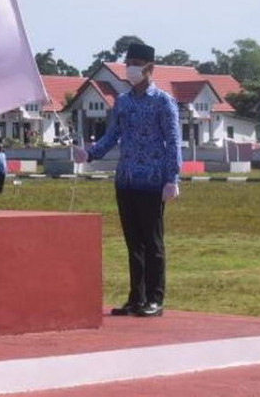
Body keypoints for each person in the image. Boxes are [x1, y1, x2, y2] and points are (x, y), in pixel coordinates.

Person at [73, 42, 181, 318]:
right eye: (128, 62)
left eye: (136, 62)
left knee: (152, 242)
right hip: (126, 179)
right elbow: (112, 137)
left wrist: (172, 177)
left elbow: (173, 141)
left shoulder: (163, 102)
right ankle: (137, 297)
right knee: (133, 243)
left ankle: (155, 298)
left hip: (153, 180)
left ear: (150, 68)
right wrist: (90, 154)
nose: (130, 67)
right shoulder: (122, 102)